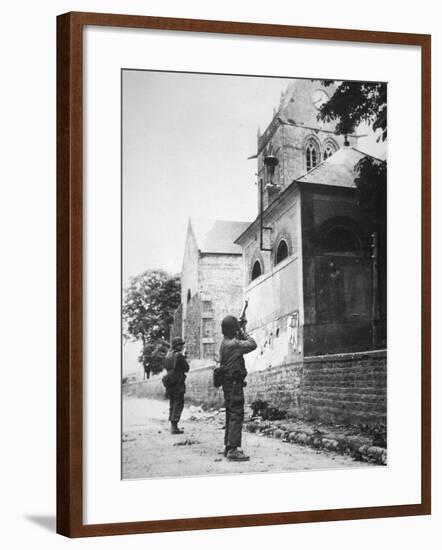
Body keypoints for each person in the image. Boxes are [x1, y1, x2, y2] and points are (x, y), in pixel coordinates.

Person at [219, 315, 257, 461]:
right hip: (234, 384)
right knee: (236, 413)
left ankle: (229, 445)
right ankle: (233, 449)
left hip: (228, 383)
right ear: (233, 329)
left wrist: (238, 328)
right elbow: (252, 344)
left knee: (230, 412)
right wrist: (241, 330)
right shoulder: (233, 345)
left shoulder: (224, 343)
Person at [164, 337, 190, 434]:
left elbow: (166, 367)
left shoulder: (168, 355)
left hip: (169, 382)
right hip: (177, 382)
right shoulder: (179, 355)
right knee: (178, 403)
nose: (182, 346)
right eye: (180, 345)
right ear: (177, 345)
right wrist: (184, 358)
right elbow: (186, 368)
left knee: (172, 402)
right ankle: (174, 426)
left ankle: (172, 424)